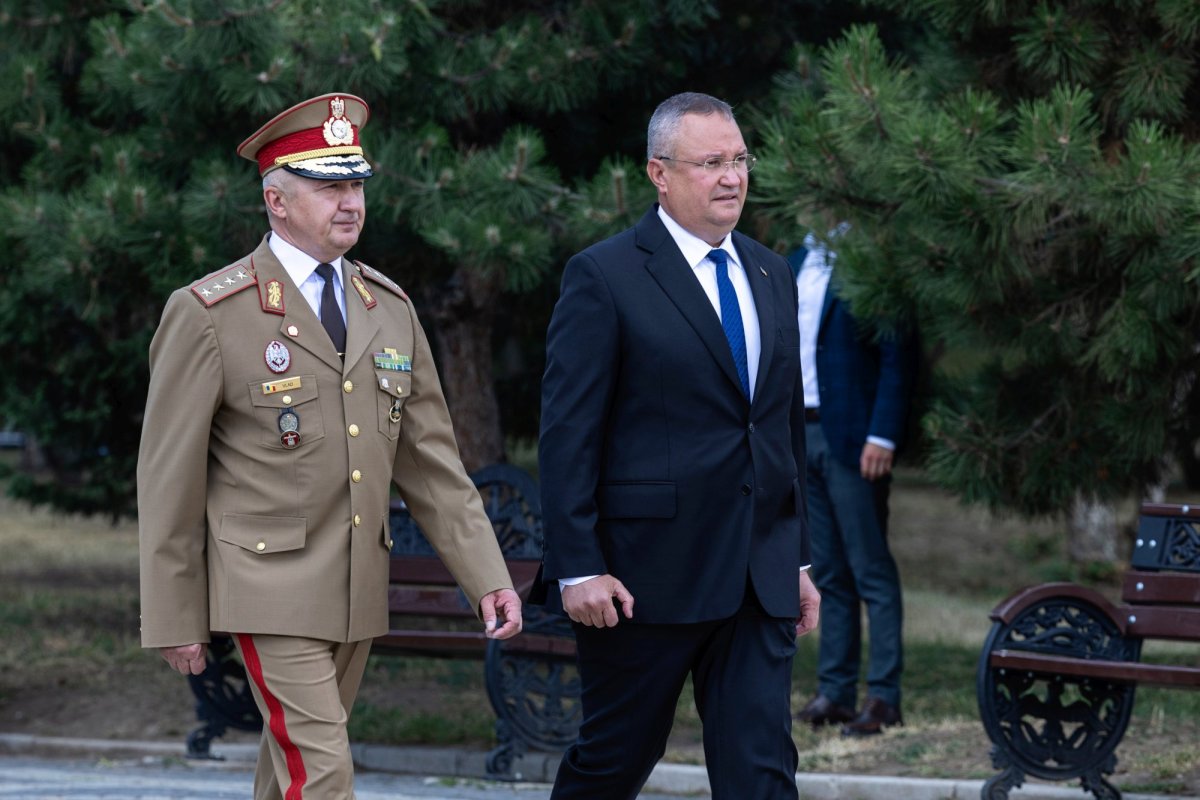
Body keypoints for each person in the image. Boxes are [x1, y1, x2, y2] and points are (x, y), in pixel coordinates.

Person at [137, 92, 523, 800]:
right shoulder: (211, 313)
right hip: (266, 588)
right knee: (322, 774)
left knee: (291, 770)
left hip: (353, 589)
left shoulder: (389, 307)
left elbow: (431, 465)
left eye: (356, 184)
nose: (350, 202)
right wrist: (172, 613)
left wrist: (487, 575)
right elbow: (169, 477)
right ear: (277, 201)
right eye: (329, 186)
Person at [534, 92, 820, 799]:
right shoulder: (605, 276)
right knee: (615, 760)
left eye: (740, 160)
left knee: (761, 771)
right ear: (660, 174)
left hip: (757, 575)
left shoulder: (769, 273)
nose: (732, 177)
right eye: (711, 163)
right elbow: (569, 433)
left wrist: (800, 557)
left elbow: (779, 427)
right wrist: (578, 568)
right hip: (642, 581)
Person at [789, 229, 916, 736]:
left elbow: (897, 356)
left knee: (871, 570)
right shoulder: (795, 259)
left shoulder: (873, 258)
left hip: (856, 437)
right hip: (801, 432)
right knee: (829, 572)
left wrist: (883, 435)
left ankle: (884, 697)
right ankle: (835, 693)